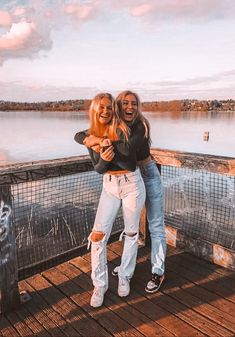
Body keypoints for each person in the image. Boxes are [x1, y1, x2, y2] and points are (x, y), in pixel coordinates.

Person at [74, 93, 146, 308]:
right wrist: (99, 151)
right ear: (94, 110)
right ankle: (100, 284)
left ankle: (125, 275)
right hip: (109, 186)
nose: (105, 111)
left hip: (132, 183)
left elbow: (131, 163)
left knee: (131, 233)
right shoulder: (91, 134)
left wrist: (107, 147)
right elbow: (98, 168)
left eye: (109, 107)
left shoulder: (124, 127)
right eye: (101, 108)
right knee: (97, 236)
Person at [112, 90, 166, 293]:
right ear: (118, 105)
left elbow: (126, 150)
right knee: (131, 227)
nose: (130, 107)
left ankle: (158, 271)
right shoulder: (116, 126)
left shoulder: (142, 126)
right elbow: (80, 134)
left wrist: (104, 143)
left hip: (148, 174)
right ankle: (127, 268)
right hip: (131, 176)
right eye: (125, 103)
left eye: (134, 103)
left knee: (156, 225)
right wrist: (90, 139)